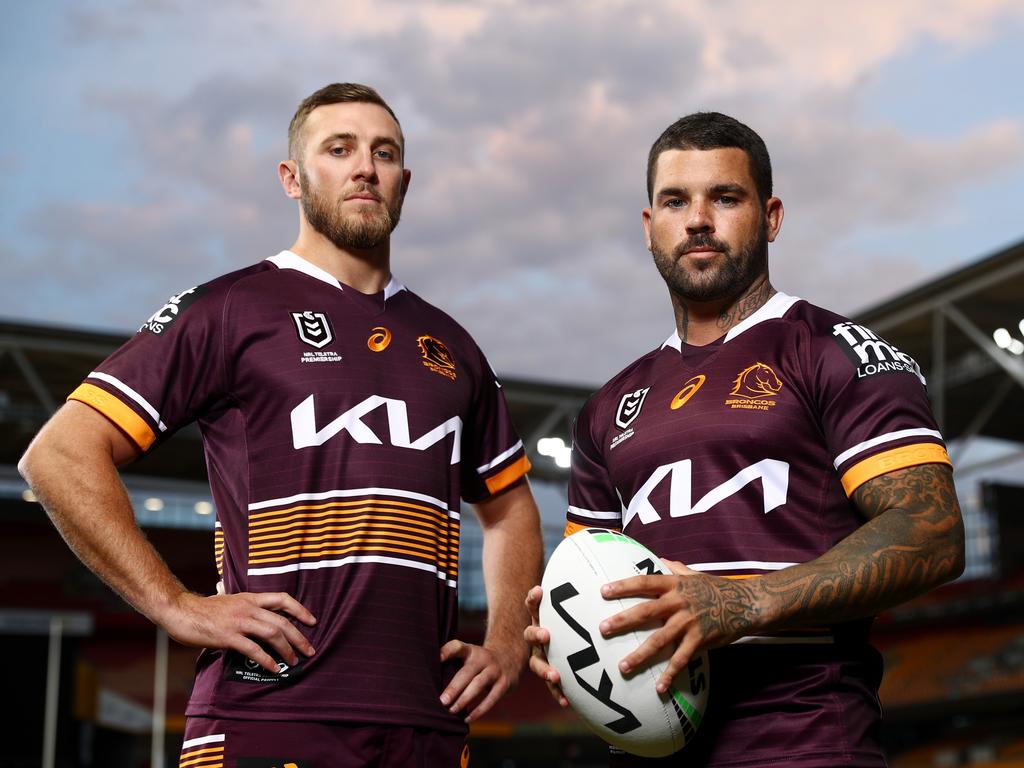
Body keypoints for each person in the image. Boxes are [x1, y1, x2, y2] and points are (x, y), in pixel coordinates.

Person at [19, 82, 544, 767]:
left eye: (384, 152)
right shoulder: (232, 308)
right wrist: (175, 605)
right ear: (291, 178)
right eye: (339, 148)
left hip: (428, 724)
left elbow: (510, 509)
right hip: (266, 717)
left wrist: (506, 641)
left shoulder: (452, 346)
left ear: (404, 181)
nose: (365, 166)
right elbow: (59, 454)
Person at [525, 112, 965, 767]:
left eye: (724, 198)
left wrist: (742, 602)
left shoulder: (832, 352)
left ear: (771, 216)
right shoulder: (606, 409)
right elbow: (587, 580)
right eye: (675, 201)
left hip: (803, 743)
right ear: (649, 228)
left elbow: (932, 532)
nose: (697, 219)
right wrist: (560, 637)